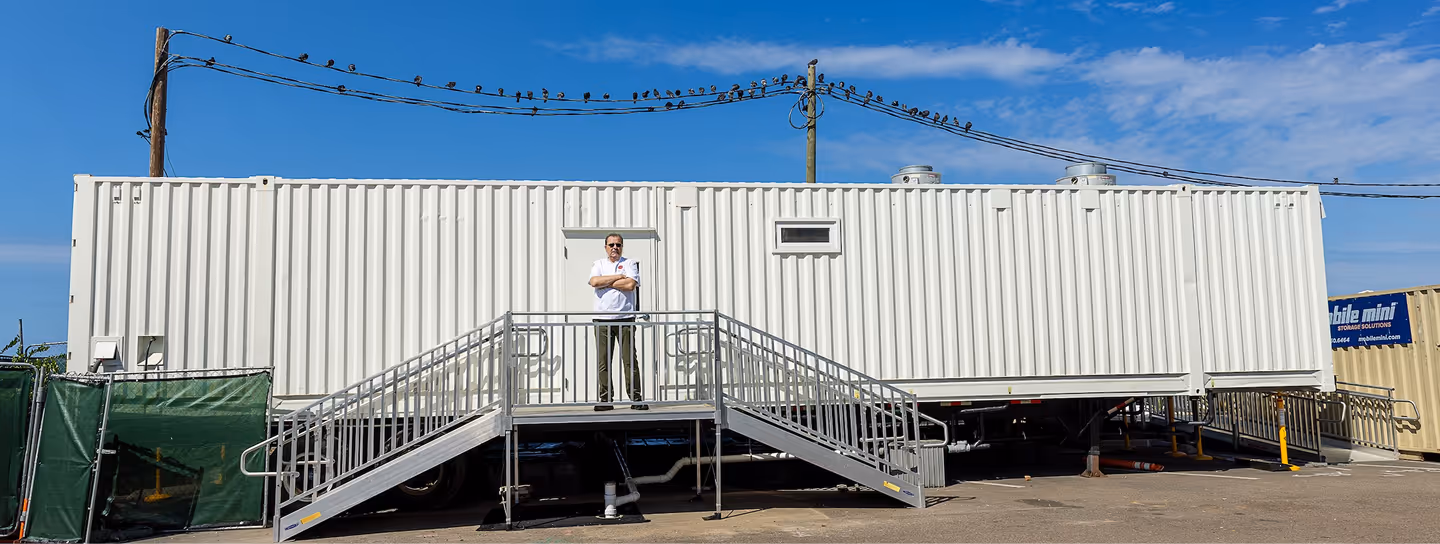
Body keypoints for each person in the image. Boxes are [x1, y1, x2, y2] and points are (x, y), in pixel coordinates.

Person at [589, 233, 644, 411]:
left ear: (622, 247)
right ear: (605, 247)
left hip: (625, 319)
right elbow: (594, 281)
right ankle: (605, 400)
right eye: (611, 245)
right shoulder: (599, 264)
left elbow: (630, 285)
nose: (615, 248)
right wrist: (618, 277)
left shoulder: (629, 264)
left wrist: (607, 282)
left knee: (629, 360)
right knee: (603, 361)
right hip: (602, 320)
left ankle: (636, 398)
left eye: (618, 245)